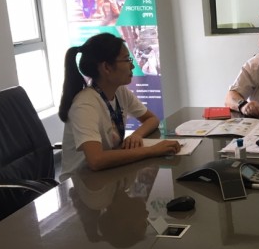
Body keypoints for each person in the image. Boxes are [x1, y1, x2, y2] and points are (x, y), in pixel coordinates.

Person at [59, 32, 180, 178]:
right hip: (80, 182)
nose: (132, 65)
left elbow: (152, 119)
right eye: (127, 59)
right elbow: (96, 160)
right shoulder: (84, 105)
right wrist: (152, 150)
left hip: (107, 173)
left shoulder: (119, 91)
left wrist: (136, 135)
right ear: (106, 67)